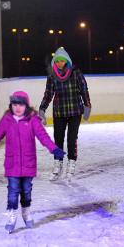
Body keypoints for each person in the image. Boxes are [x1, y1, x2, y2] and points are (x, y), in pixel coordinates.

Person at [0, 91, 65, 233]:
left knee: (26, 191)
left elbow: (43, 137)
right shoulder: (7, 120)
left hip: (28, 163)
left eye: (21, 104)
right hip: (12, 165)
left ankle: (26, 212)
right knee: (12, 191)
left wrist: (54, 149)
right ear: (11, 105)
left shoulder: (33, 120)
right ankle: (12, 215)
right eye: (15, 104)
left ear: (26, 106)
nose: (17, 108)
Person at [39, 47, 91, 181]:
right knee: (58, 139)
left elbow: (83, 89)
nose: (60, 63)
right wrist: (42, 109)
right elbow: (48, 94)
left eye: (62, 61)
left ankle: (71, 163)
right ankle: (58, 164)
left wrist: (87, 105)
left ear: (67, 61)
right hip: (59, 112)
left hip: (75, 111)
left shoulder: (76, 73)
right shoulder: (52, 76)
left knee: (72, 139)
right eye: (57, 61)